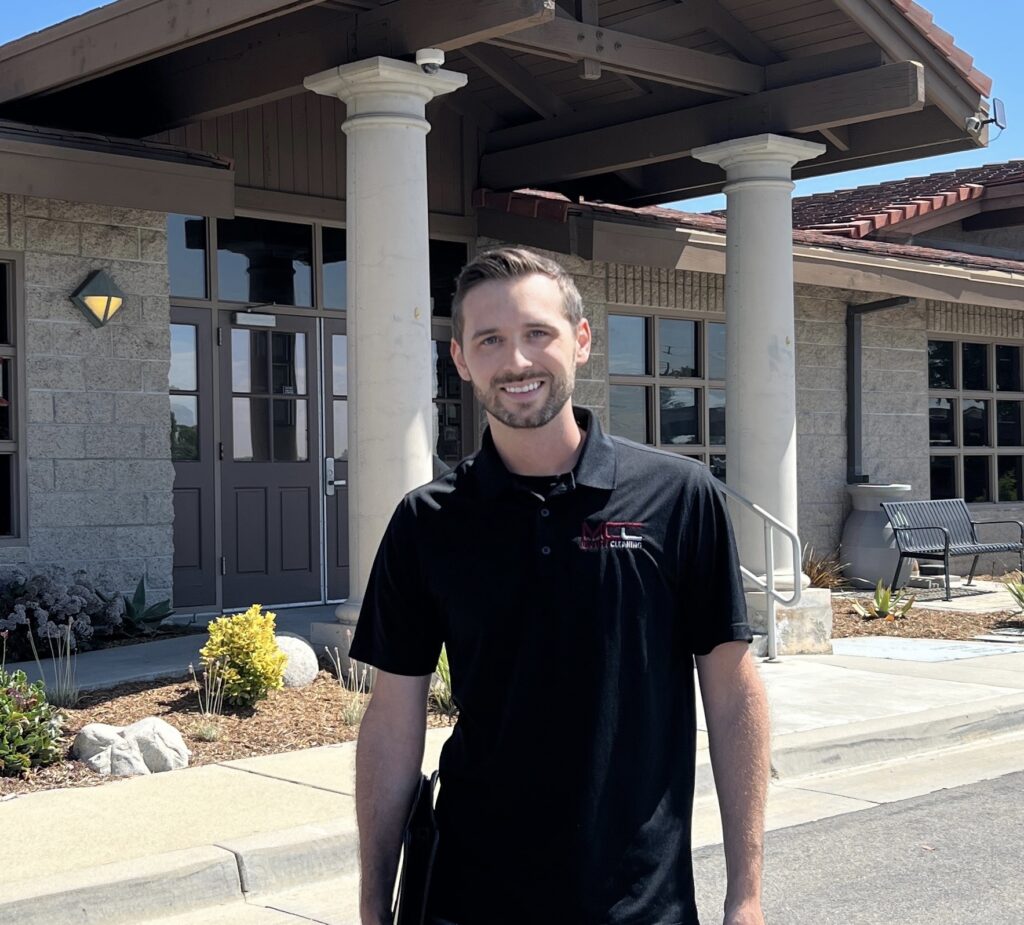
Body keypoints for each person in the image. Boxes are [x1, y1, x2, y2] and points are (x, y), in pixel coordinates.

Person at [348, 247, 770, 925]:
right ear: (460, 359)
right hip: (466, 902)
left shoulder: (678, 497)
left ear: (581, 340)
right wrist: (374, 904)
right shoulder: (427, 522)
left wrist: (745, 896)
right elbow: (394, 719)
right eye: (490, 339)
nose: (516, 360)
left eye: (537, 333)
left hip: (639, 905)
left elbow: (732, 694)